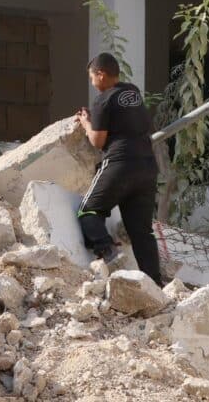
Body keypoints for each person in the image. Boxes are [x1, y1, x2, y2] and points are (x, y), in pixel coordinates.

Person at [75, 52, 162, 285]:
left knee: (88, 211)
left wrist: (86, 123)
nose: (93, 83)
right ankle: (155, 285)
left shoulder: (103, 99)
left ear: (101, 74)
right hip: (147, 166)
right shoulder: (132, 92)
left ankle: (108, 252)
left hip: (120, 165)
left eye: (92, 77)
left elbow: (98, 141)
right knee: (142, 232)